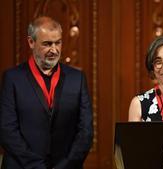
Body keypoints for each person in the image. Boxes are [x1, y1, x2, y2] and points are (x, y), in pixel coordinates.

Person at [0, 16, 93, 169]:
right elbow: (7, 130)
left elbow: (86, 131)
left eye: (58, 43)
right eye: (47, 44)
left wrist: (66, 165)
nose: (54, 49)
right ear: (31, 42)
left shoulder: (77, 78)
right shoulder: (12, 78)